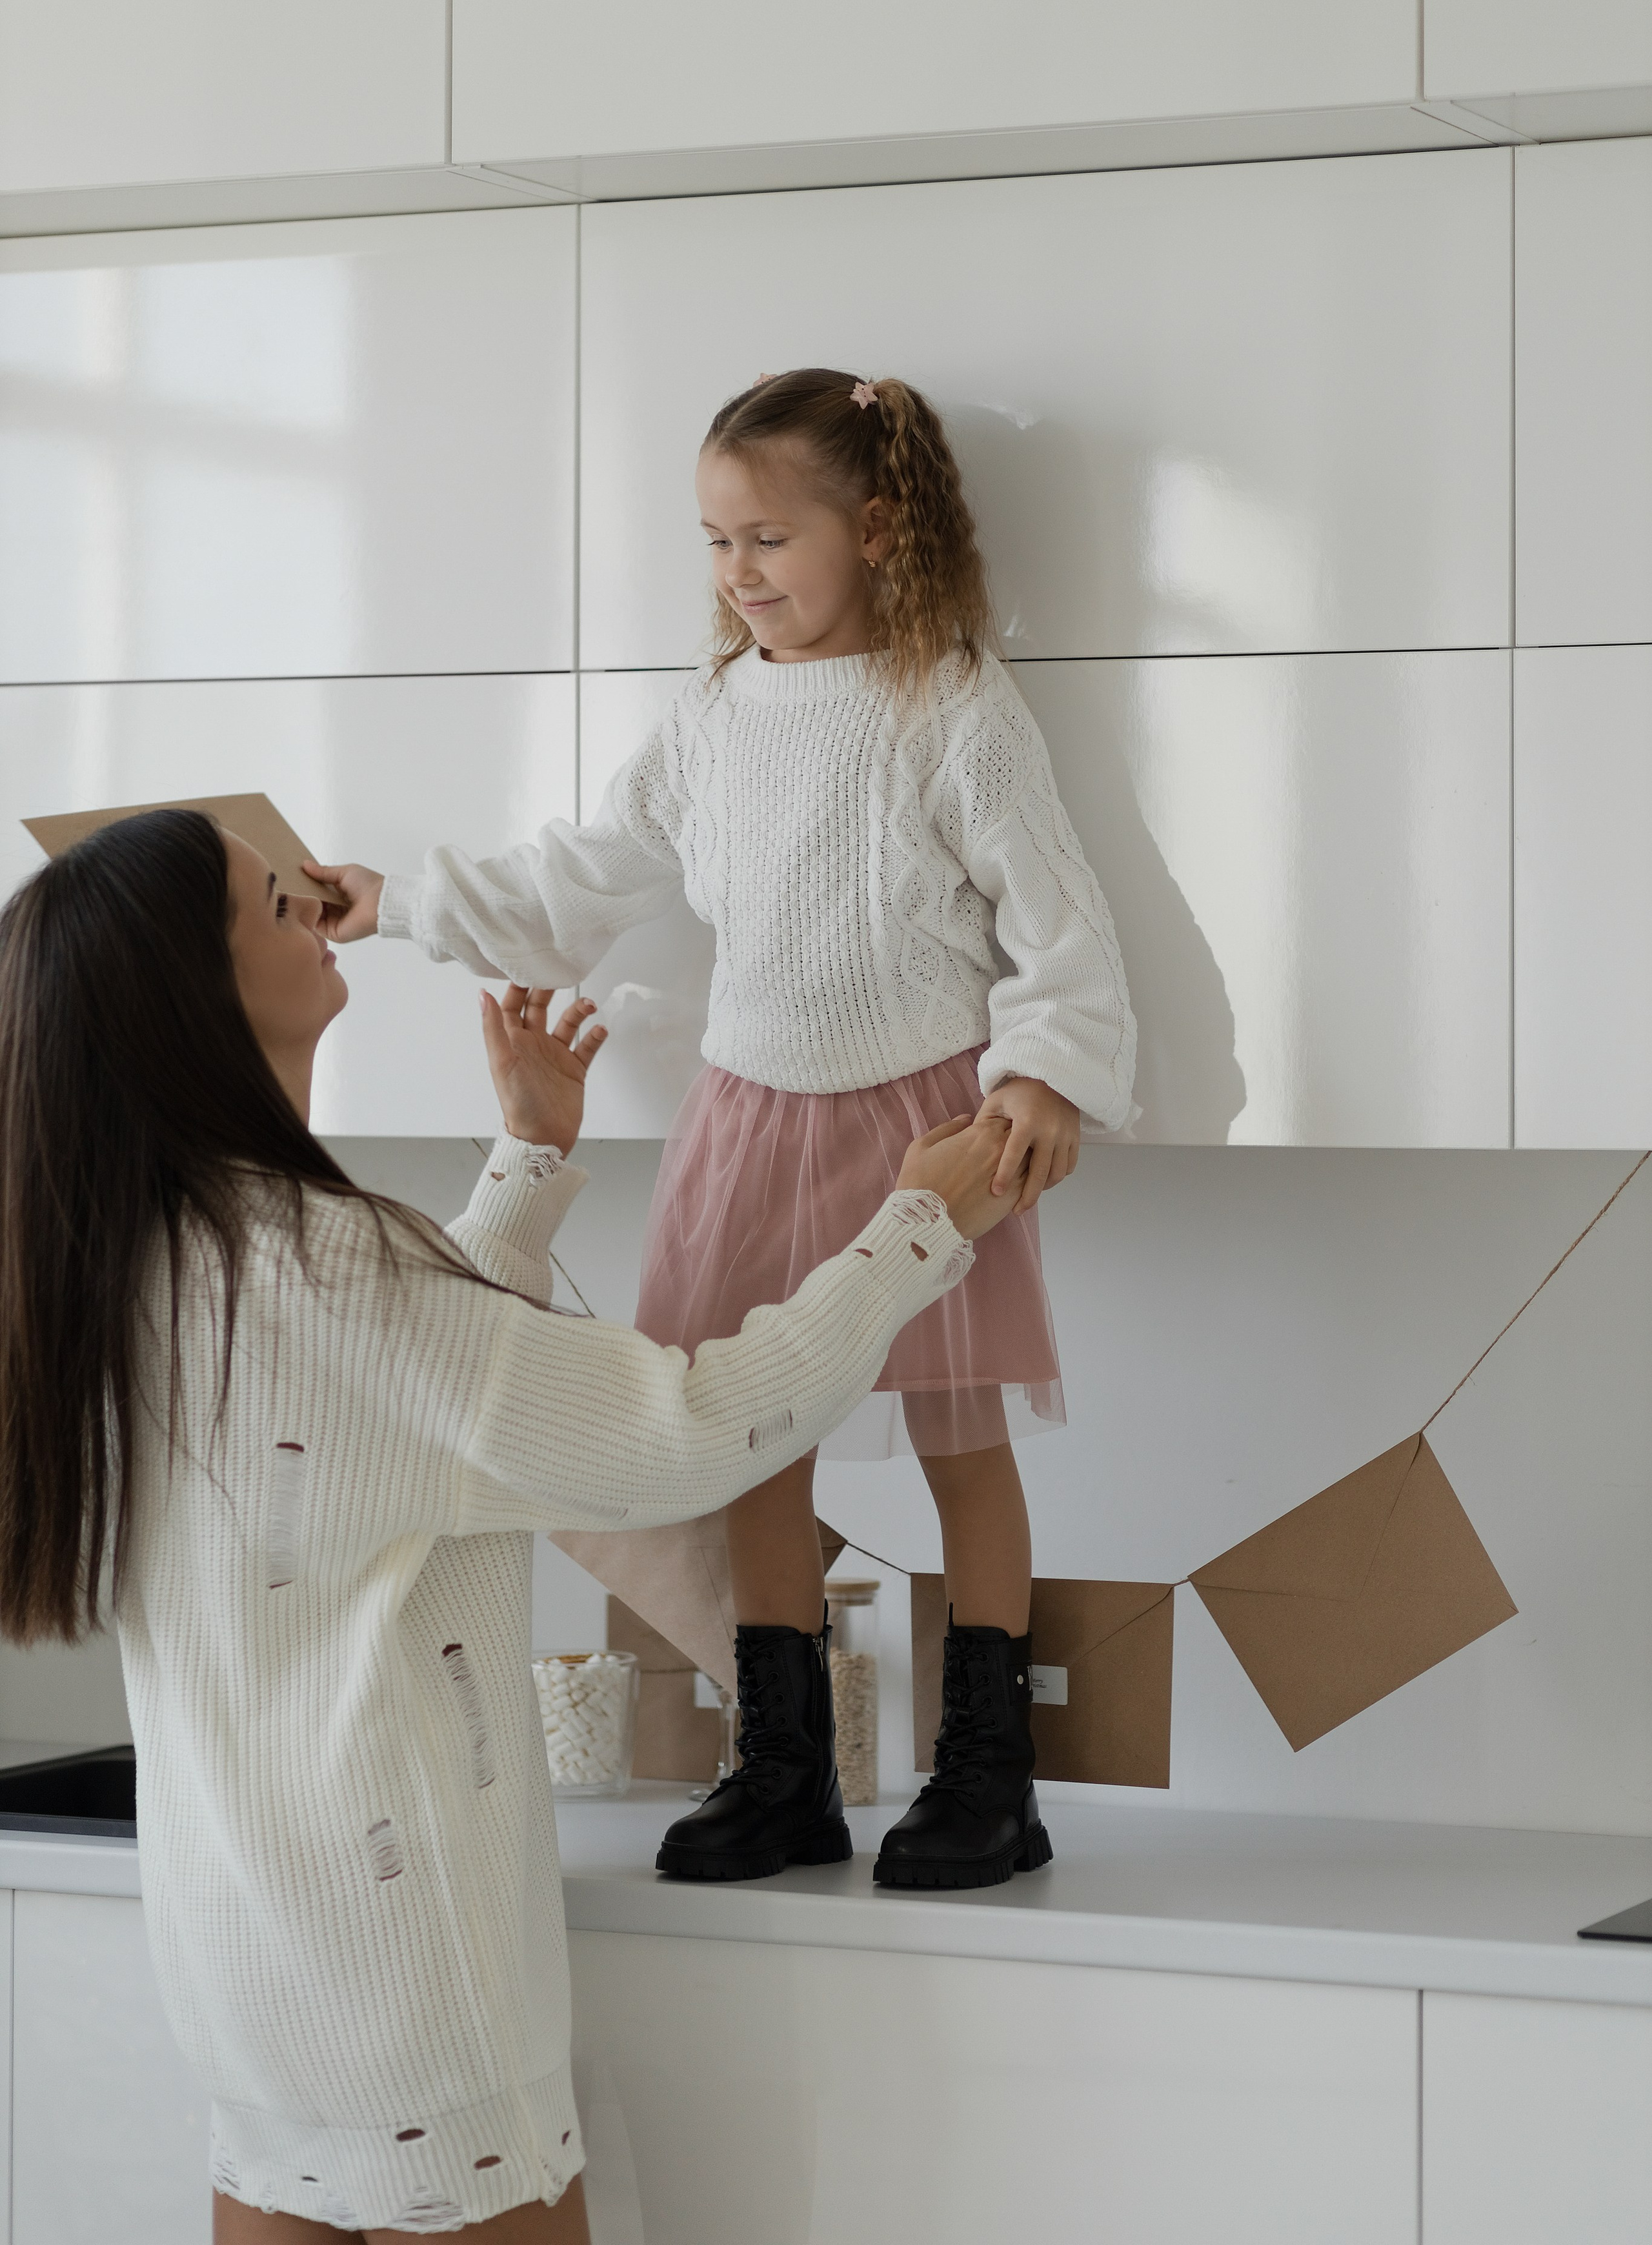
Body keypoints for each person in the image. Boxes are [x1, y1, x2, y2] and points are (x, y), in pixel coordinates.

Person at [0, 805, 1017, 2241]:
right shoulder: (332, 1271)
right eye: (272, 905)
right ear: (198, 997)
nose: (311, 904)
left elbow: (393, 1416)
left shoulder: (133, 1267)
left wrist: (528, 1160)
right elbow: (689, 1430)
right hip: (414, 2000)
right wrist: (918, 1226)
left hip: (245, 1987)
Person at [310, 367, 1135, 1893]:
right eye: (713, 542)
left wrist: (1042, 1073)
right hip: (747, 1126)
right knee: (747, 1444)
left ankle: (987, 1777)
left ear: (873, 530)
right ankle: (782, 1770)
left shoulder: (950, 704)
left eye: (765, 539)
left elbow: (1055, 916)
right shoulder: (706, 718)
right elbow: (575, 881)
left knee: (961, 1447)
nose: (737, 573)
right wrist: (401, 902)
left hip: (922, 1127)